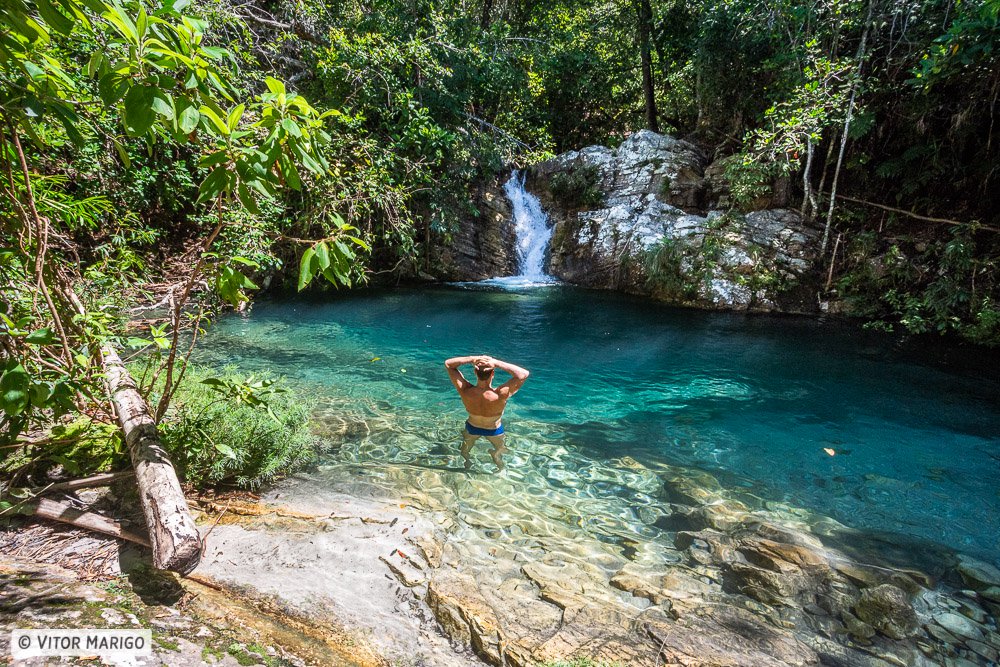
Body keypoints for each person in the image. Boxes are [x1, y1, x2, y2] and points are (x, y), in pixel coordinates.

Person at [444, 354, 530, 470]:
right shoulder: (500, 394)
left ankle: (466, 466)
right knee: (499, 450)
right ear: (492, 374)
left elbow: (449, 364)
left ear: (475, 372)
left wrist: (472, 359)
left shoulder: (465, 390)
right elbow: (523, 374)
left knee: (465, 451)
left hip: (472, 427)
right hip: (494, 430)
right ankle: (499, 466)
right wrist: (495, 362)